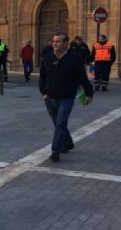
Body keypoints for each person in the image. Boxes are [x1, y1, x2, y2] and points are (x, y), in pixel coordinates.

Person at [39, 32, 93, 162]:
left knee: (60, 123)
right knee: (58, 124)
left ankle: (55, 151)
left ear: (65, 43)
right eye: (53, 41)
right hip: (50, 98)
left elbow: (82, 78)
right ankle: (68, 143)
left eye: (58, 41)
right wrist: (44, 93)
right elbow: (42, 77)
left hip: (67, 98)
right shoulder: (47, 58)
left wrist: (89, 93)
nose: (54, 44)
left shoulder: (74, 59)